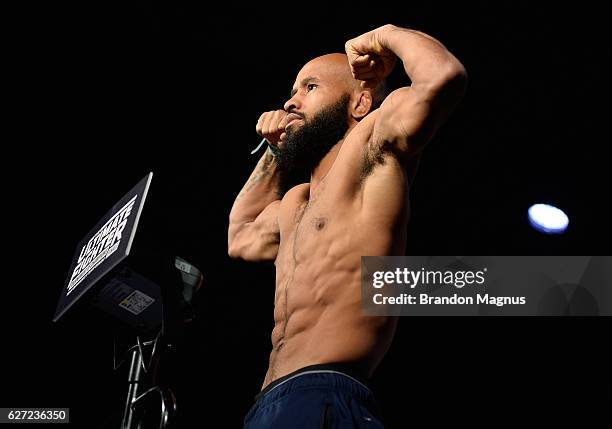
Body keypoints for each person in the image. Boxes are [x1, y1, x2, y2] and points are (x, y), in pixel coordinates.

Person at [229, 24, 467, 428]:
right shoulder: (295, 202)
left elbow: (442, 76)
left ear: (359, 102)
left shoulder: (374, 144)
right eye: (293, 90)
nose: (291, 102)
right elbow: (241, 235)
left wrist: (385, 37)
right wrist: (273, 150)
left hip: (328, 392)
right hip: (268, 400)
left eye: (310, 88)